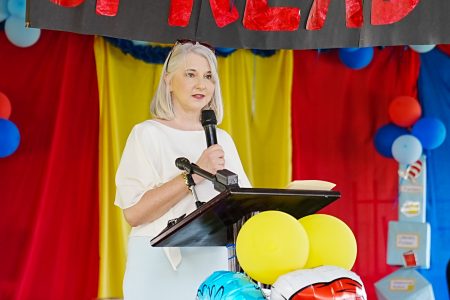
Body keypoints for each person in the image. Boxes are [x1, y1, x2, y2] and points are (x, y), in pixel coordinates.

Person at [115, 40, 251, 299]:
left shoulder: (222, 139)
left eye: (209, 76)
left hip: (212, 260)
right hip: (155, 260)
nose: (202, 84)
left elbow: (244, 206)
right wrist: (195, 172)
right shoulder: (146, 134)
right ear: (168, 81)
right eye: (191, 74)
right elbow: (134, 213)